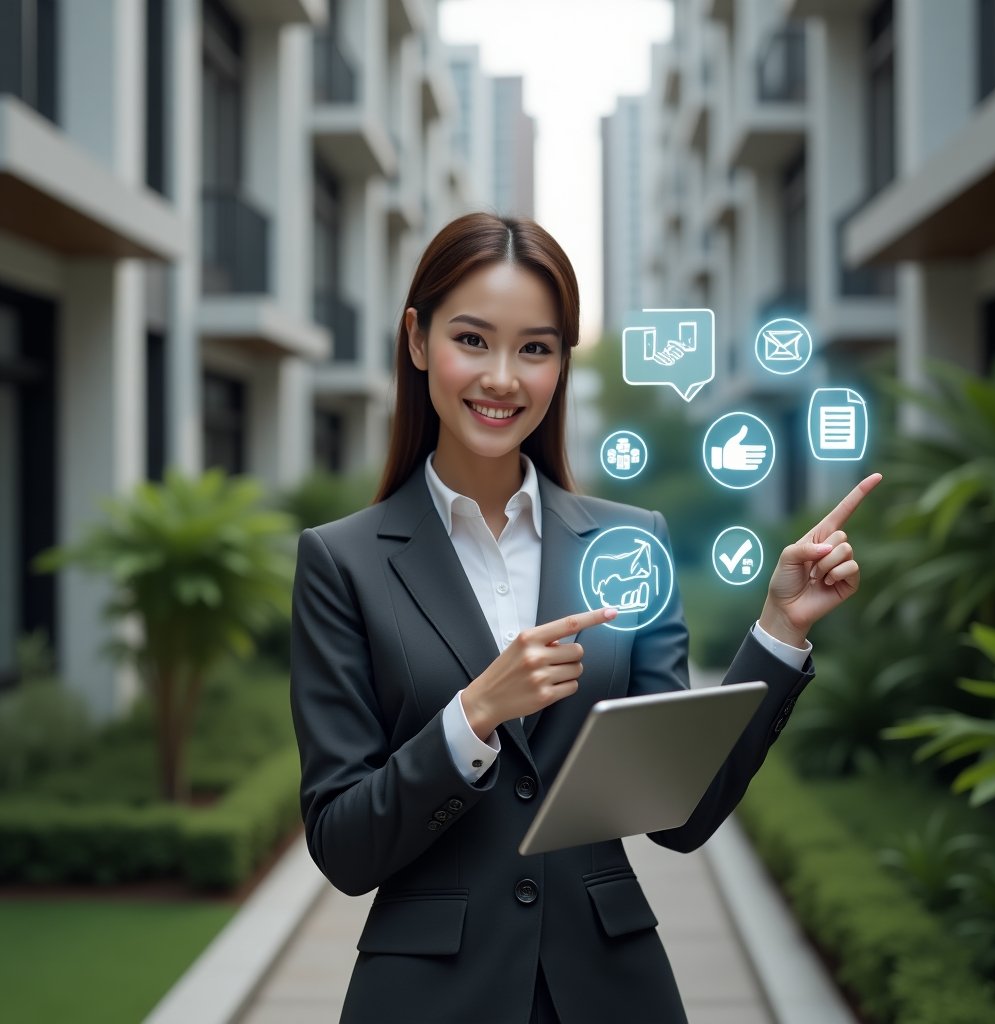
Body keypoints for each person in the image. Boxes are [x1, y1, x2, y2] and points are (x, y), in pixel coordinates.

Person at [290, 212, 881, 1024]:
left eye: (535, 348)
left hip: (611, 988)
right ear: (418, 340)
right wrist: (474, 715)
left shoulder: (633, 544)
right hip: (426, 997)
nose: (503, 378)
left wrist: (781, 629)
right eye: (472, 340)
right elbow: (344, 847)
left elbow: (680, 815)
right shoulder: (342, 561)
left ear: (563, 363)